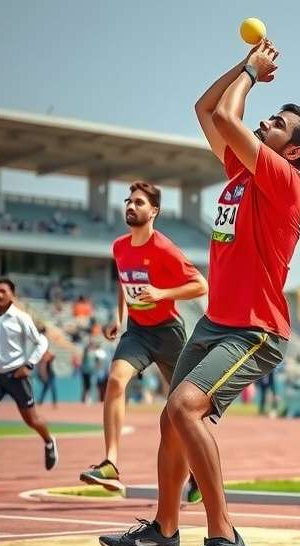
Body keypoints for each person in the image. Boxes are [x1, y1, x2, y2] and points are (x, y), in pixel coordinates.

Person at [99, 39, 300, 546]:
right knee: (169, 423)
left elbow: (227, 112)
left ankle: (224, 537)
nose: (266, 122)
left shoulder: (284, 181)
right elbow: (207, 109)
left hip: (255, 327)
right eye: (268, 118)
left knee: (183, 409)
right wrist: (240, 69)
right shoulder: (243, 173)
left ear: (290, 151)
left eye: (278, 124)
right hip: (215, 321)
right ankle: (165, 530)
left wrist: (251, 71)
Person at [79, 180, 208, 492]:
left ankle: (199, 475)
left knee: (182, 406)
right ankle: (110, 463)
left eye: (139, 202)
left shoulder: (164, 249)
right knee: (114, 381)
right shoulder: (119, 247)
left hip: (168, 333)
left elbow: (201, 286)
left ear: (154, 211)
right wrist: (118, 317)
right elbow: (125, 283)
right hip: (137, 331)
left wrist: (162, 292)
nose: (131, 206)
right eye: (129, 201)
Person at [0, 278, 58, 482]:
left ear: (12, 296)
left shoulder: (21, 318)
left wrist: (29, 364)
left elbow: (41, 341)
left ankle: (48, 440)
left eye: (2, 291)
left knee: (31, 419)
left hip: (16, 375)